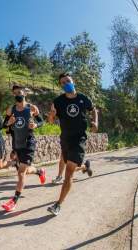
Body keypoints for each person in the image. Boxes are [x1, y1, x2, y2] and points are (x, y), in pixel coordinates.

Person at [47, 72, 98, 216]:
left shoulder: (83, 99)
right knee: (70, 164)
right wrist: (51, 115)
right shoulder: (58, 101)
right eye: (62, 83)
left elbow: (93, 110)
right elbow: (51, 121)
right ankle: (85, 167)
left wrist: (95, 122)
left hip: (79, 139)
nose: (65, 84)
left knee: (68, 172)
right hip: (65, 139)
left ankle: (58, 205)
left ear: (73, 81)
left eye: (67, 81)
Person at [1, 85, 46, 212]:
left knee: (21, 172)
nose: (17, 95)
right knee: (24, 170)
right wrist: (8, 124)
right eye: (15, 93)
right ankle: (39, 172)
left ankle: (13, 201)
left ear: (24, 93)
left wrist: (36, 125)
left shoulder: (32, 108)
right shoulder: (11, 109)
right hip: (17, 143)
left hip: (28, 142)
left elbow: (42, 122)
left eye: (19, 93)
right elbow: (4, 125)